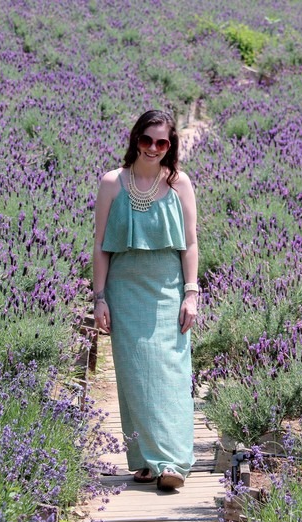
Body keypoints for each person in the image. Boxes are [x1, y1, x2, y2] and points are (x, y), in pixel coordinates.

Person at [92, 110, 199, 492]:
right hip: (124, 287)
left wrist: (191, 293)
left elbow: (190, 244)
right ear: (136, 139)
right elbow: (101, 248)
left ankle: (171, 462)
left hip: (167, 289)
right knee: (135, 375)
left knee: (170, 374)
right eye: (146, 140)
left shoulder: (179, 184)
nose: (153, 148)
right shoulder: (112, 183)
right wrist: (99, 298)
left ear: (170, 147)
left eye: (162, 142)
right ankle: (143, 459)